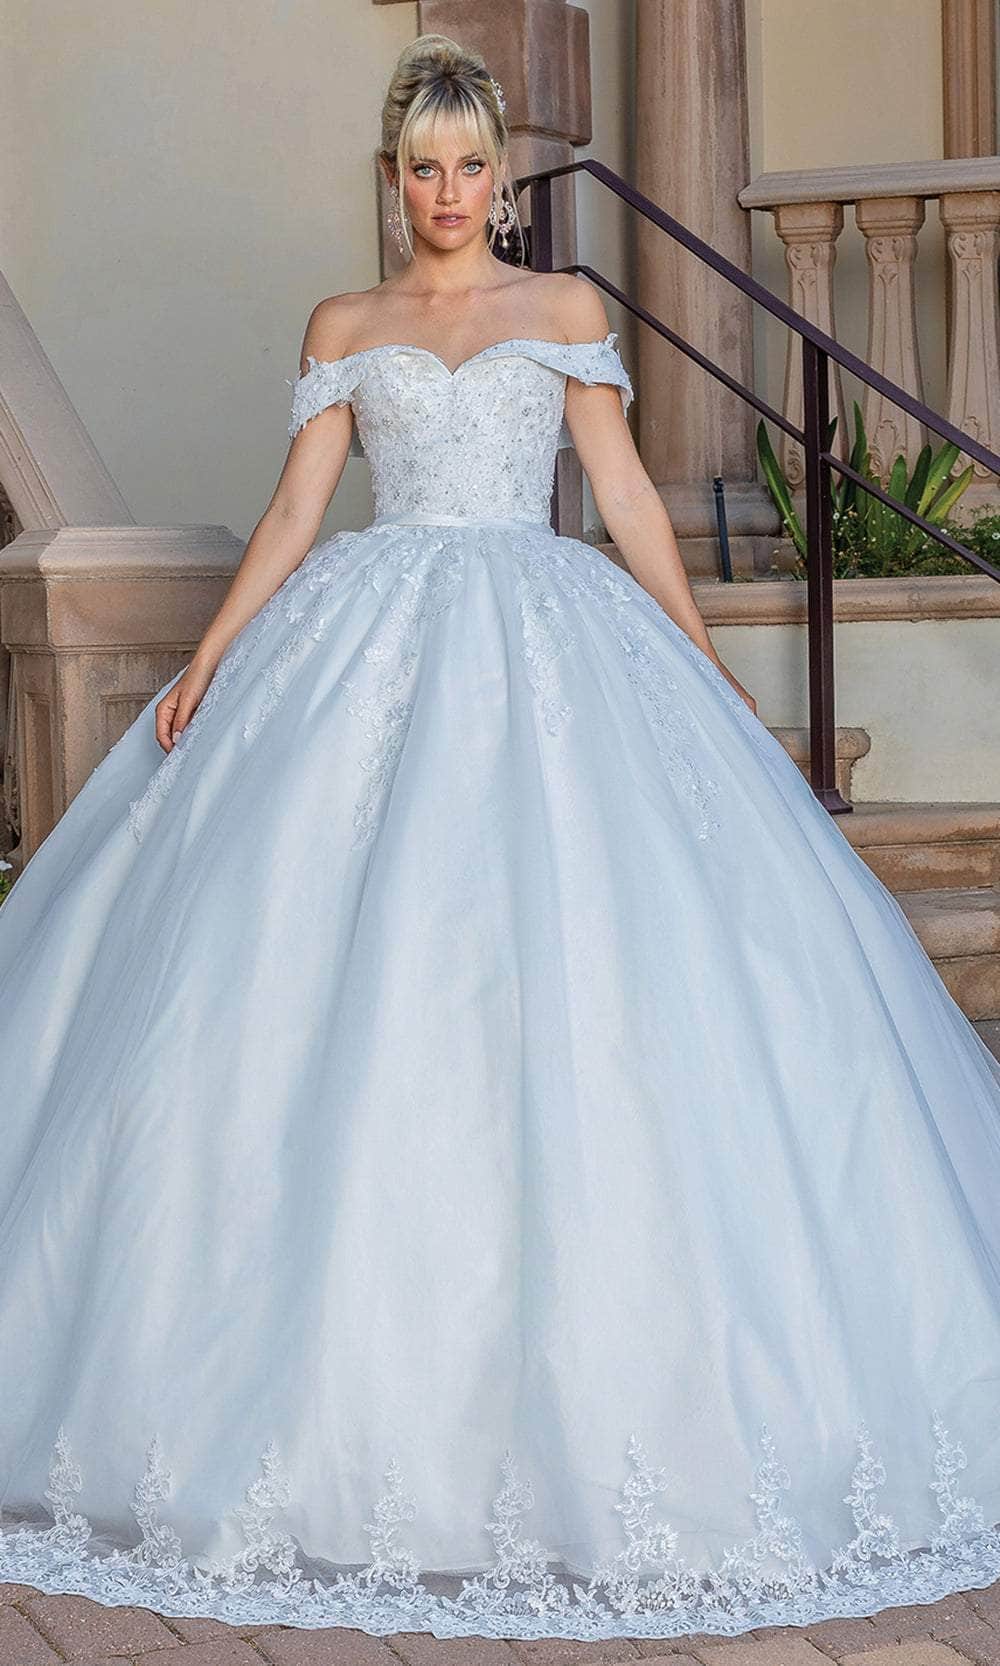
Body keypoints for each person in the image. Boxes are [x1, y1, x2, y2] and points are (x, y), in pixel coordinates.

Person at [0, 29, 999, 1647]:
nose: (451, 193)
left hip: (552, 642)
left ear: (503, 178)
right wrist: (211, 657)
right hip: (366, 643)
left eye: (473, 167)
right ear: (393, 179)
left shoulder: (570, 312)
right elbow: (296, 509)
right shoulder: (346, 325)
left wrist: (703, 665)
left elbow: (627, 496)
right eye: (426, 169)